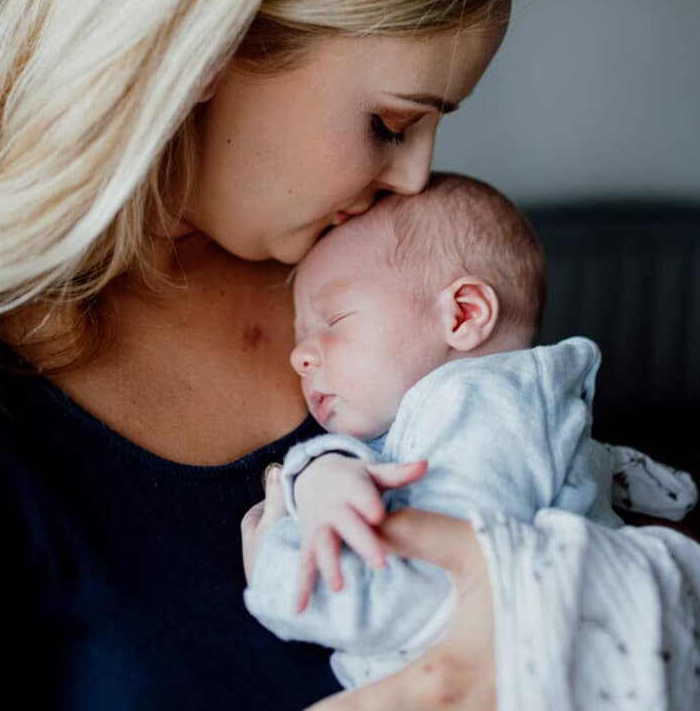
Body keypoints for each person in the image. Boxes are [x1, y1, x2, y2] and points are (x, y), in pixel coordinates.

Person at [0, 0, 697, 711]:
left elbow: (595, 524)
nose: (415, 180)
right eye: (389, 122)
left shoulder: (381, 283)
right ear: (210, 42)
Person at [243, 174, 697, 689]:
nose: (299, 356)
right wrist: (325, 468)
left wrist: (276, 566)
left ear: (463, 314)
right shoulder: (509, 413)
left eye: (334, 320)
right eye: (300, 335)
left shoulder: (480, 407)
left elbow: (430, 596)